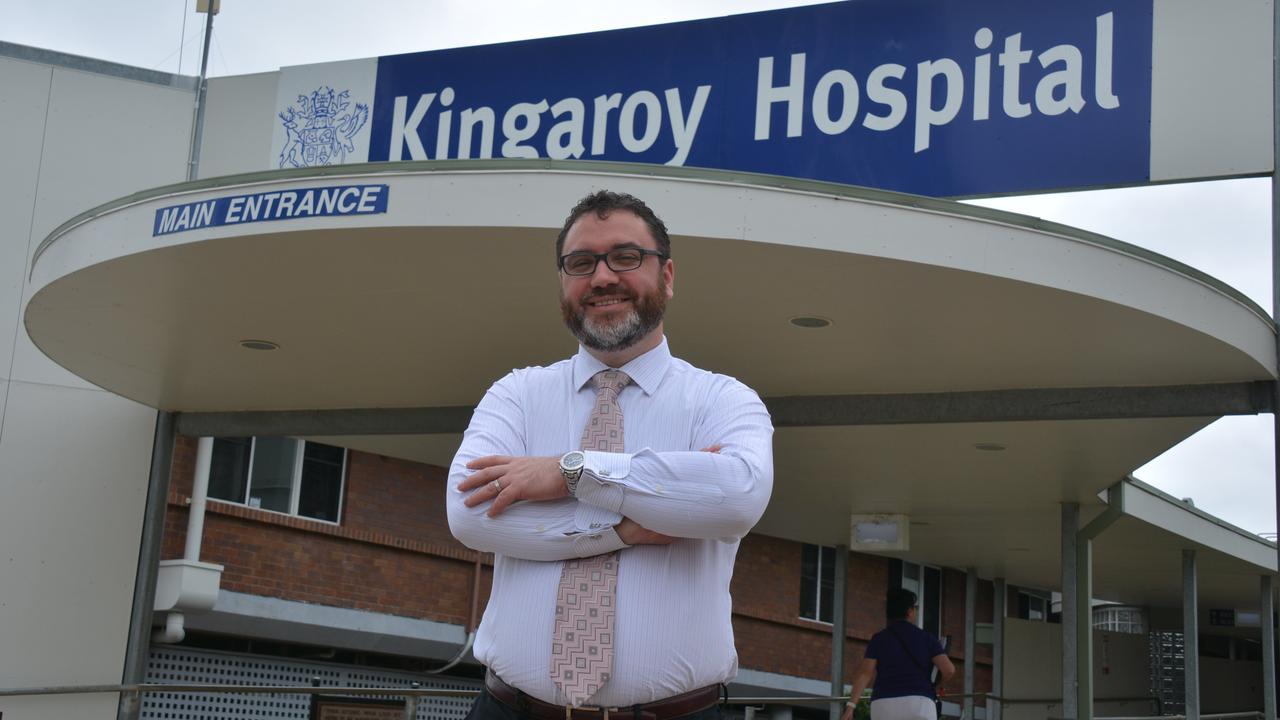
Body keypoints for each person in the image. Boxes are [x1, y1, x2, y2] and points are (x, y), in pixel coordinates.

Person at [446, 189, 774, 720]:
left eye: (625, 257)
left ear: (667, 276)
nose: (602, 278)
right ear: (563, 282)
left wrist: (570, 472)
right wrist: (624, 529)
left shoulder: (723, 399)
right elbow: (469, 515)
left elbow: (735, 496)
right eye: (581, 263)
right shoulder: (516, 395)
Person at [842, 589, 956, 720]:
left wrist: (850, 707)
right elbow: (949, 670)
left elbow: (865, 673)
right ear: (909, 611)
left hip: (884, 705)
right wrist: (936, 685)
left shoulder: (879, 638)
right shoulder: (927, 639)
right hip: (919, 703)